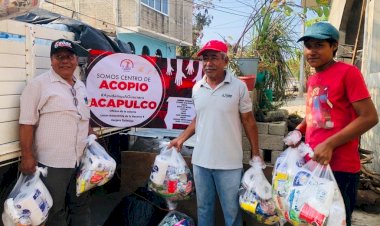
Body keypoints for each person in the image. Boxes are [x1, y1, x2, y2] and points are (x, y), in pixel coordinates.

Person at [168, 40, 261, 226]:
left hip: (229, 164)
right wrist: (181, 138)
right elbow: (200, 118)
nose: (208, 63)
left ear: (225, 61)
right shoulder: (197, 88)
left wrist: (256, 152)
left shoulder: (238, 87)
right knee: (204, 208)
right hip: (201, 162)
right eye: (205, 59)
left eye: (214, 58)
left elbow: (248, 120)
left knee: (232, 211)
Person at [295, 22, 378, 226]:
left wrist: (330, 144)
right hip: (314, 165)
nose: (312, 51)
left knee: (336, 221)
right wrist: (299, 130)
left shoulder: (348, 73)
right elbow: (316, 113)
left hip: (340, 169)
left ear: (334, 47)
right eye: (308, 46)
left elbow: (369, 117)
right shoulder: (314, 78)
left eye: (319, 45)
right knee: (314, 220)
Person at [19, 39, 93, 226]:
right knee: (54, 209)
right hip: (53, 164)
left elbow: (81, 115)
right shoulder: (39, 85)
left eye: (69, 57)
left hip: (80, 159)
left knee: (80, 205)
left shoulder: (80, 86)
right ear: (51, 60)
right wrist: (27, 155)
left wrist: (89, 132)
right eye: (59, 57)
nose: (65, 61)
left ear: (76, 60)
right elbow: (27, 123)